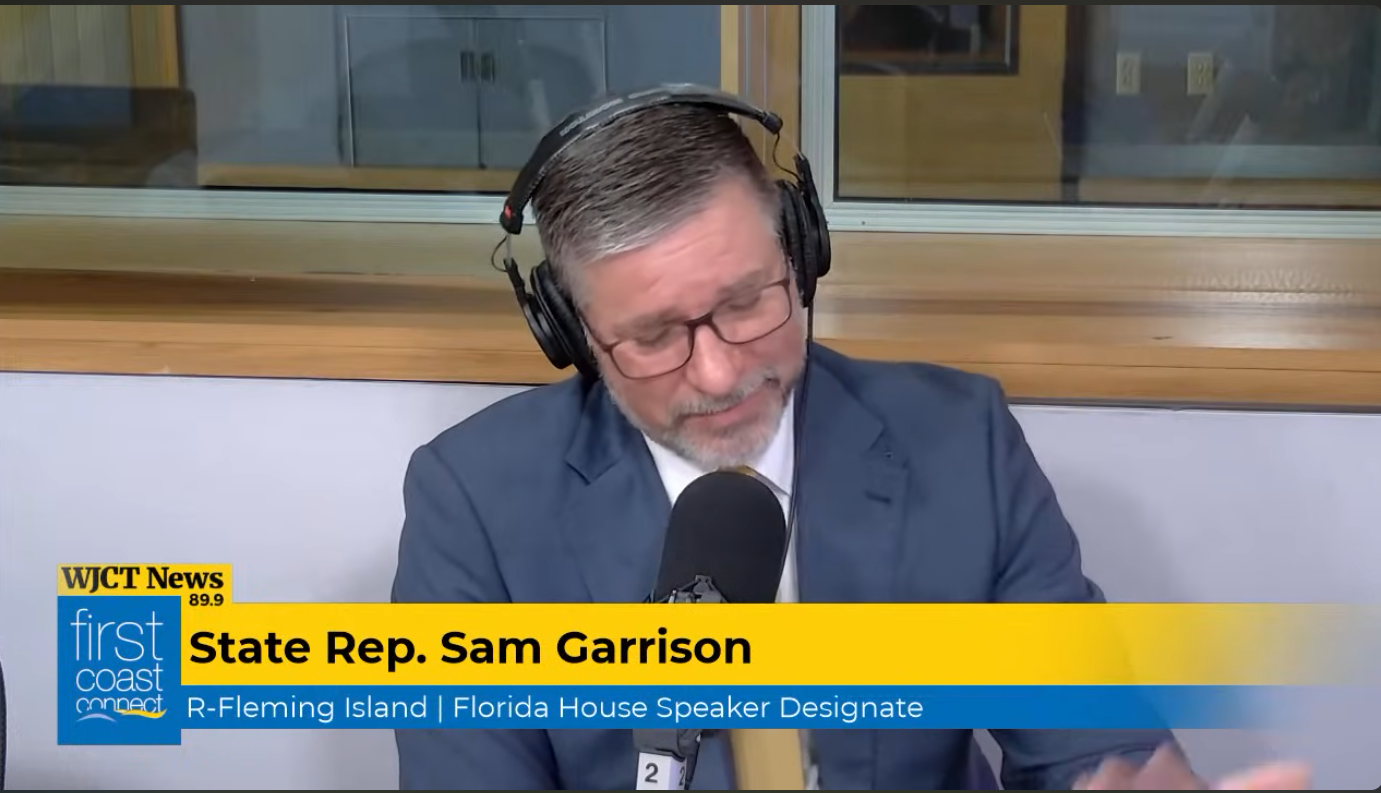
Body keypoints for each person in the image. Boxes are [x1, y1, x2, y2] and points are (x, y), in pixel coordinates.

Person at [390, 85, 1310, 790]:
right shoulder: (474, 504)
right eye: (654, 336)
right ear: (573, 334)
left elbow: (1088, 742)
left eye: (746, 301)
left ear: (800, 256)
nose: (718, 371)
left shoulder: (958, 441)